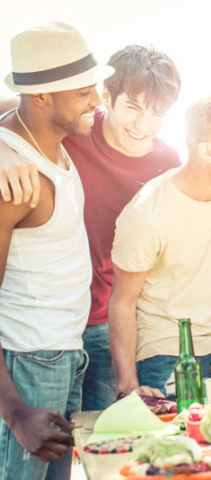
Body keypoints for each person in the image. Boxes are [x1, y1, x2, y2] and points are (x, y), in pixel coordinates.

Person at [0, 46, 182, 410]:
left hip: (112, 321)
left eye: (157, 114)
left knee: (104, 437)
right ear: (108, 98)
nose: (143, 125)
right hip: (44, 324)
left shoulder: (168, 163)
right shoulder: (73, 125)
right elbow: (19, 107)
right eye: (133, 107)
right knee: (43, 438)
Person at [0, 22, 113, 480]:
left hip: (67, 352)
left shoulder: (47, 138)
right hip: (29, 367)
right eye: (84, 91)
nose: (98, 102)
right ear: (43, 96)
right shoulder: (14, 185)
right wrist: (14, 413)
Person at [109, 91, 211, 398]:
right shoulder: (146, 214)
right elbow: (122, 301)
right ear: (206, 151)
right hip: (166, 358)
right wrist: (127, 385)